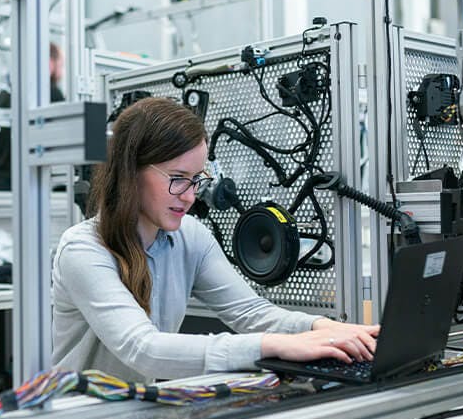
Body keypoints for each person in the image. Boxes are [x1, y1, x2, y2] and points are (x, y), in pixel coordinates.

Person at [51, 97, 379, 382]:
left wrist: (326, 329)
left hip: (135, 409)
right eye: (178, 179)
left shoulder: (189, 236)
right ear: (130, 171)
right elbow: (143, 349)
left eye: (196, 180)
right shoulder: (84, 249)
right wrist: (273, 345)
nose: (190, 196)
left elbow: (252, 313)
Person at [0, 42, 65, 191]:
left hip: (1, 182)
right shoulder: (51, 93)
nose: (62, 70)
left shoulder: (4, 95)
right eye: (60, 64)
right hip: (35, 183)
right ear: (49, 62)